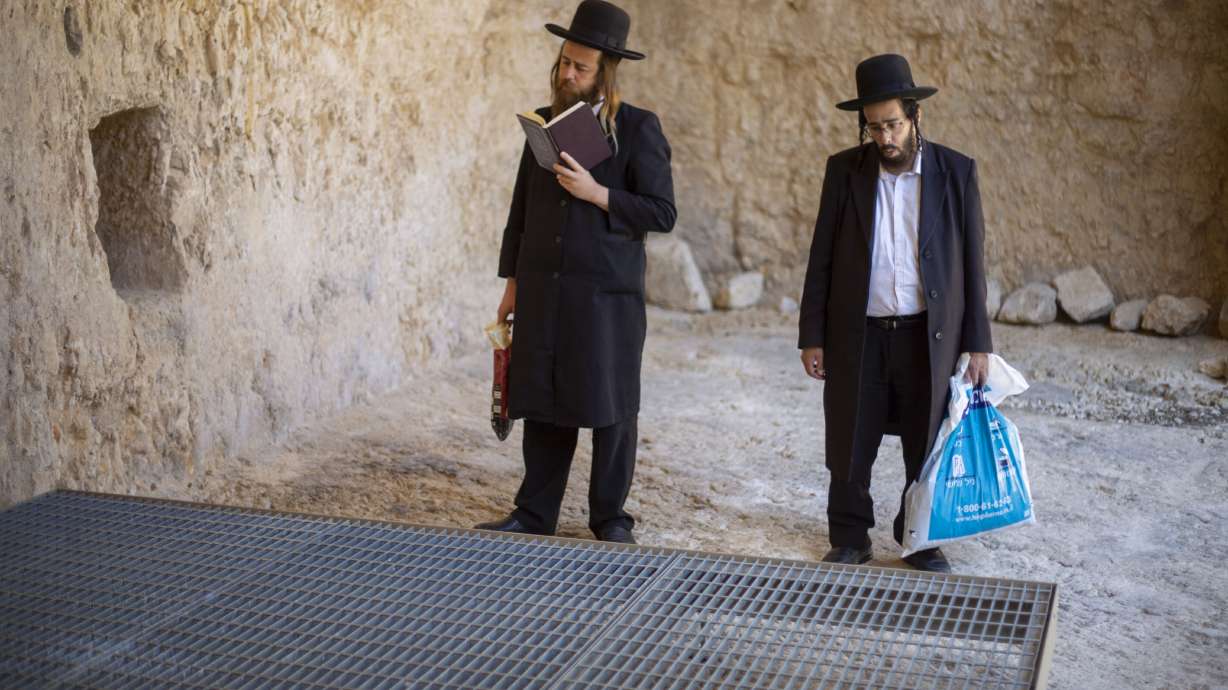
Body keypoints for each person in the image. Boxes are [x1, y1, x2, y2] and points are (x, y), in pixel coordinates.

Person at [475, 0, 675, 544]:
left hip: (606, 296)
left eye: (580, 67)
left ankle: (609, 518)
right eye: (565, 62)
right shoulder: (542, 123)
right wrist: (512, 286)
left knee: (611, 408)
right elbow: (520, 213)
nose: (568, 74)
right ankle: (534, 512)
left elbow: (662, 212)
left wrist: (598, 193)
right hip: (543, 288)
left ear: (605, 72)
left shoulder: (638, 129)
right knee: (541, 397)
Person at [798, 54, 993, 573]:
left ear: (915, 117)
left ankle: (920, 538)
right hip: (857, 332)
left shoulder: (956, 172)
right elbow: (822, 256)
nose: (884, 137)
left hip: (925, 335)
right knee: (848, 437)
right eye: (874, 126)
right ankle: (849, 536)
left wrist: (979, 343)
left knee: (925, 439)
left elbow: (973, 264)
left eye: (893, 124)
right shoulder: (844, 171)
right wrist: (811, 334)